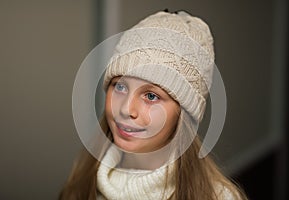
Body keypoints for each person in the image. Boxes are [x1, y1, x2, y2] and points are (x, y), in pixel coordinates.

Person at [59, 10, 248, 200]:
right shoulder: (82, 182)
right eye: (120, 86)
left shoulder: (218, 197)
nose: (126, 109)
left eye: (150, 96)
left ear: (182, 114)